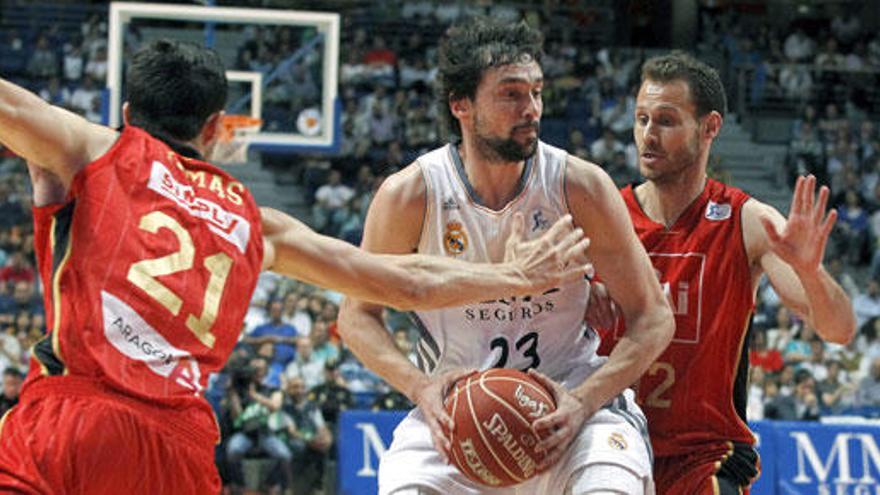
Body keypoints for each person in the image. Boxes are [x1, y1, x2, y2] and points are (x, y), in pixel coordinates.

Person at [0, 39, 593, 494]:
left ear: (126, 111)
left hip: (69, 413)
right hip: (174, 445)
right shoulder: (257, 221)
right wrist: (516, 275)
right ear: (214, 129)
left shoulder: (93, 149)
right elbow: (406, 281)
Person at [338, 18, 674, 495]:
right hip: (460, 417)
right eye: (511, 94)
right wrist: (419, 386)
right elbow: (356, 318)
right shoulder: (411, 194)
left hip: (573, 405)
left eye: (536, 92)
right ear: (461, 105)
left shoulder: (579, 186)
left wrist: (583, 401)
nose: (531, 108)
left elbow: (655, 319)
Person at [595, 52, 855, 494]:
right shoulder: (605, 215)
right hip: (607, 444)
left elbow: (839, 329)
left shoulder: (746, 221)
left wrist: (811, 272)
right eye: (641, 119)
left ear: (710, 127)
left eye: (666, 121)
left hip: (704, 456)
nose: (647, 135)